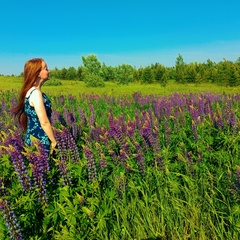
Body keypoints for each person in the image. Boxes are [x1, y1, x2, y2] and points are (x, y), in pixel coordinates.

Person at [13, 58, 57, 155]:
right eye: (46, 68)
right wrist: (54, 141)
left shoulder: (30, 91)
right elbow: (44, 122)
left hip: (32, 137)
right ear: (38, 73)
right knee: (44, 168)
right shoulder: (36, 93)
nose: (49, 71)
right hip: (40, 139)